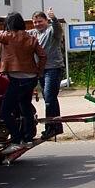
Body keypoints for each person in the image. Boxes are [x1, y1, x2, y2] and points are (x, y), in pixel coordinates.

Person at [0, 13, 46, 154]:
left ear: (9, 24)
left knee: (5, 112)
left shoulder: (8, 36)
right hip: (31, 79)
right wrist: (39, 72)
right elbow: (43, 56)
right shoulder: (31, 38)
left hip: (17, 79)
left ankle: (16, 140)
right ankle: (28, 139)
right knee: (25, 108)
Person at [29, 8, 65, 140]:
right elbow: (18, 35)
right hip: (41, 70)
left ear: (46, 21)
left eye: (40, 21)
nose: (38, 24)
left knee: (49, 98)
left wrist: (54, 19)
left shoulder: (51, 31)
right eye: (35, 22)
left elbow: (58, 30)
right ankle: (55, 126)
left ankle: (51, 127)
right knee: (49, 99)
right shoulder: (32, 33)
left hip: (53, 68)